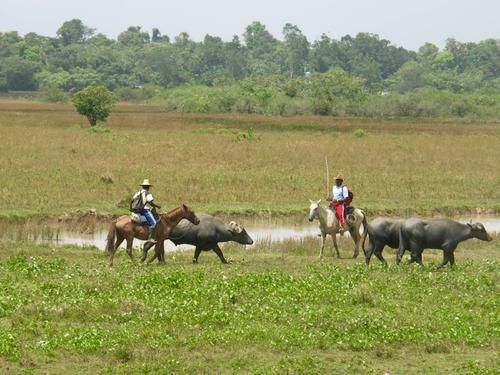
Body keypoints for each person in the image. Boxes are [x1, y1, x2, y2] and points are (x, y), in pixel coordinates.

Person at [132, 179, 161, 244]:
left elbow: (132, 200)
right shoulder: (147, 193)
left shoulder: (137, 192)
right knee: (154, 223)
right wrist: (157, 206)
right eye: (148, 187)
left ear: (142, 186)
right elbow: (150, 202)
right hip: (143, 210)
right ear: (148, 187)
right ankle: (151, 238)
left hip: (135, 210)